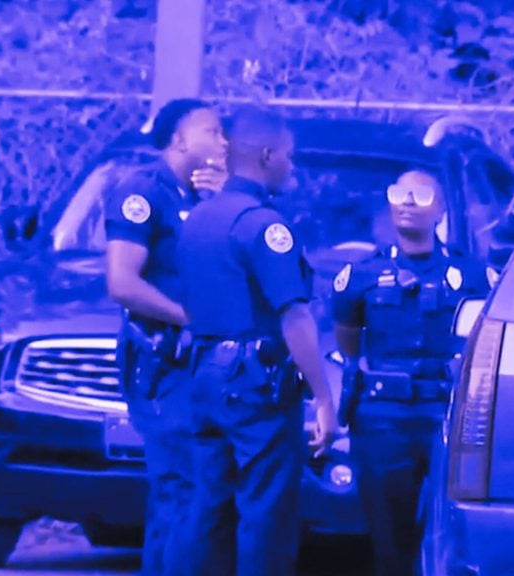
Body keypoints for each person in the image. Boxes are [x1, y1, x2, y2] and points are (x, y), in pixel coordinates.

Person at [176, 108, 339, 576]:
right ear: (268, 156)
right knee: (266, 512)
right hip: (252, 384)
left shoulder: (198, 217)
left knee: (209, 508)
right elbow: (295, 316)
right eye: (288, 155)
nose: (291, 164)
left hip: (203, 375)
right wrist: (324, 398)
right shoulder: (263, 225)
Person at [330, 170, 494, 576]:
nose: (407, 201)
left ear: (439, 209)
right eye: (399, 193)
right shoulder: (363, 274)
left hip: (448, 416)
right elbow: (348, 339)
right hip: (383, 417)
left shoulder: (471, 275)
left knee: (453, 528)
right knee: (389, 534)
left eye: (421, 195)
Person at [103, 98, 228, 576]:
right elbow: (122, 283)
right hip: (163, 362)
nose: (223, 142)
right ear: (179, 139)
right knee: (181, 486)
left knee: (198, 490)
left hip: (204, 367)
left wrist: (221, 205)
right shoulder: (143, 192)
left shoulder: (202, 196)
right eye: (212, 132)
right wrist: (189, 318)